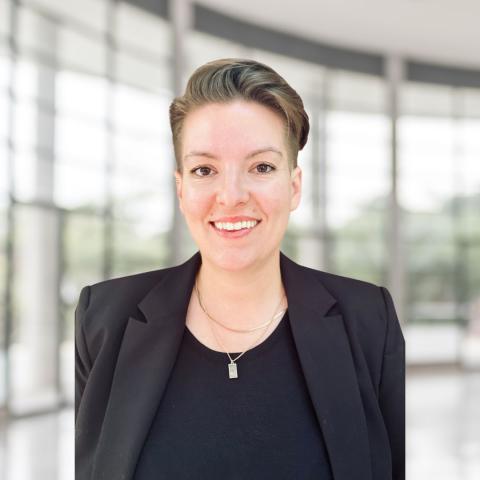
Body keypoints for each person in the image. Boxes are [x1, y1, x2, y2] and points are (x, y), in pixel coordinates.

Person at [75, 58, 405, 480]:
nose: (231, 196)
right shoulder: (103, 319)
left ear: (294, 186)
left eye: (262, 167)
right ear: (181, 189)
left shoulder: (368, 320)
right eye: (204, 170)